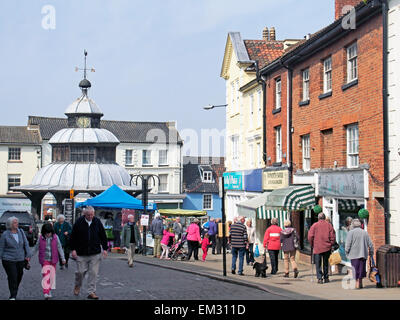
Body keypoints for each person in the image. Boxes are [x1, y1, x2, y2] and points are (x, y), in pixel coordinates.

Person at [69, 206, 108, 300]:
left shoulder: (97, 222)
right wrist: (73, 249)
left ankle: (91, 291)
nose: (90, 216)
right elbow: (73, 236)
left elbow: (103, 235)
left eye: (92, 215)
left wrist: (105, 248)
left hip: (95, 252)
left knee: (93, 273)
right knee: (80, 272)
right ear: (84, 214)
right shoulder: (79, 222)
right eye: (88, 215)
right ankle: (77, 285)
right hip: (81, 252)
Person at [0, 216, 32, 300]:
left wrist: (28, 255)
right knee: (13, 276)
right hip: (8, 259)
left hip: (20, 259)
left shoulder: (21, 232)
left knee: (19, 275)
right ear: (10, 224)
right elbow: (1, 247)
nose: (16, 224)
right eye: (14, 222)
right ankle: (13, 295)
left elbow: (26, 244)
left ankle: (14, 288)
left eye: (17, 222)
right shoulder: (5, 234)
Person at [33, 223, 65, 299]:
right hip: (44, 260)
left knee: (51, 276)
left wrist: (63, 258)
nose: (48, 235)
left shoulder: (55, 237)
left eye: (49, 233)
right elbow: (36, 248)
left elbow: (59, 248)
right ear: (44, 232)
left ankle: (49, 290)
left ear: (52, 232)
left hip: (53, 259)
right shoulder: (41, 238)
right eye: (46, 233)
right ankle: (46, 292)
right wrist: (29, 256)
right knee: (46, 276)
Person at [345, 219, 374, 289]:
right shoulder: (365, 233)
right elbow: (370, 244)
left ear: (353, 225)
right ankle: (360, 282)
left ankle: (357, 283)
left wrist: (347, 251)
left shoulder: (351, 233)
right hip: (363, 254)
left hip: (354, 254)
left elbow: (348, 244)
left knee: (355, 269)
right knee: (361, 269)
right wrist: (371, 252)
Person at [308, 212, 336, 284]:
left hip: (317, 247)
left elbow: (310, 236)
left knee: (318, 263)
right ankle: (326, 277)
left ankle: (320, 278)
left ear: (318, 218)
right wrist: (331, 244)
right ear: (324, 218)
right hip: (327, 247)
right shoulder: (329, 225)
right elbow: (332, 236)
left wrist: (312, 244)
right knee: (326, 263)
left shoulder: (314, 225)